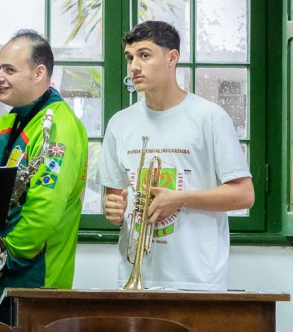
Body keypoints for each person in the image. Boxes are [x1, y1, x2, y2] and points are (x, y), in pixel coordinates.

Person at [97, 20, 254, 290]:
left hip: (197, 277)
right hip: (135, 275)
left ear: (172, 58)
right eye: (130, 57)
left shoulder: (210, 117)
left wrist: (179, 199)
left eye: (144, 55)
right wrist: (110, 207)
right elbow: (113, 196)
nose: (134, 66)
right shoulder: (119, 123)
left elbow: (244, 195)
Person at [0, 30, 89, 324]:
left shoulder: (60, 127)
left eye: (10, 70)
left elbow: (44, 212)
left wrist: (1, 261)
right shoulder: (5, 122)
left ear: (39, 73)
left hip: (32, 280)